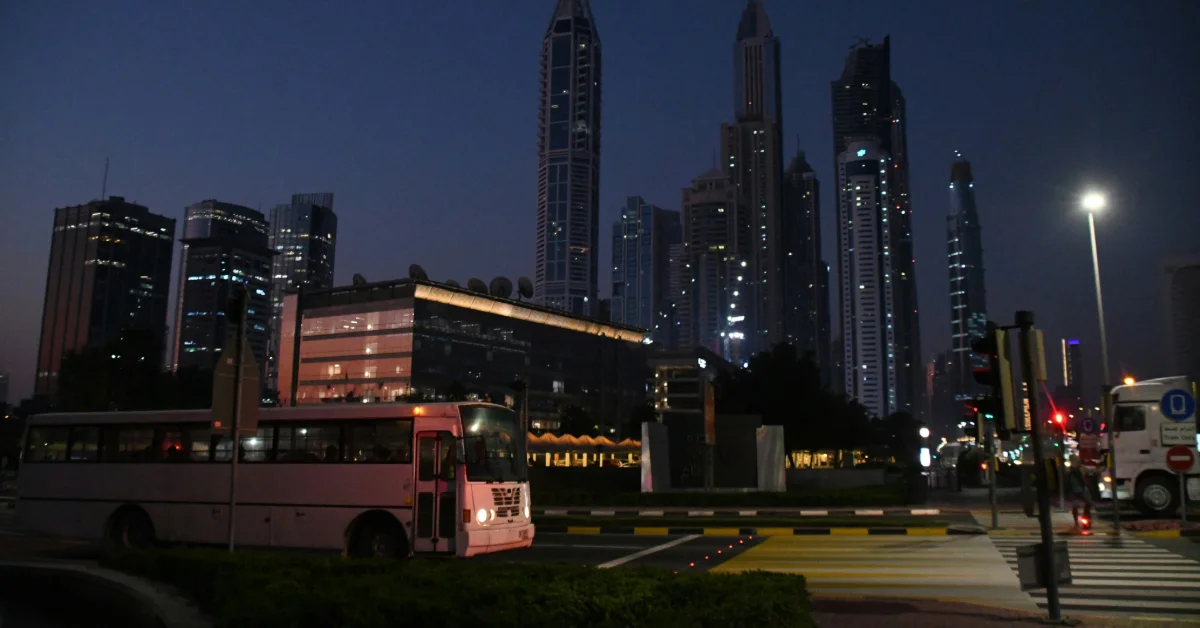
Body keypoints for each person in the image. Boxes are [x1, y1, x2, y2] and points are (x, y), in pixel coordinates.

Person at [1066, 455, 1094, 529]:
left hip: (1075, 491)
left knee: (1077, 506)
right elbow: (1092, 470)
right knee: (1087, 504)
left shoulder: (1071, 470)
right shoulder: (1078, 469)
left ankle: (1079, 522)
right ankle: (1084, 519)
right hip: (1079, 490)